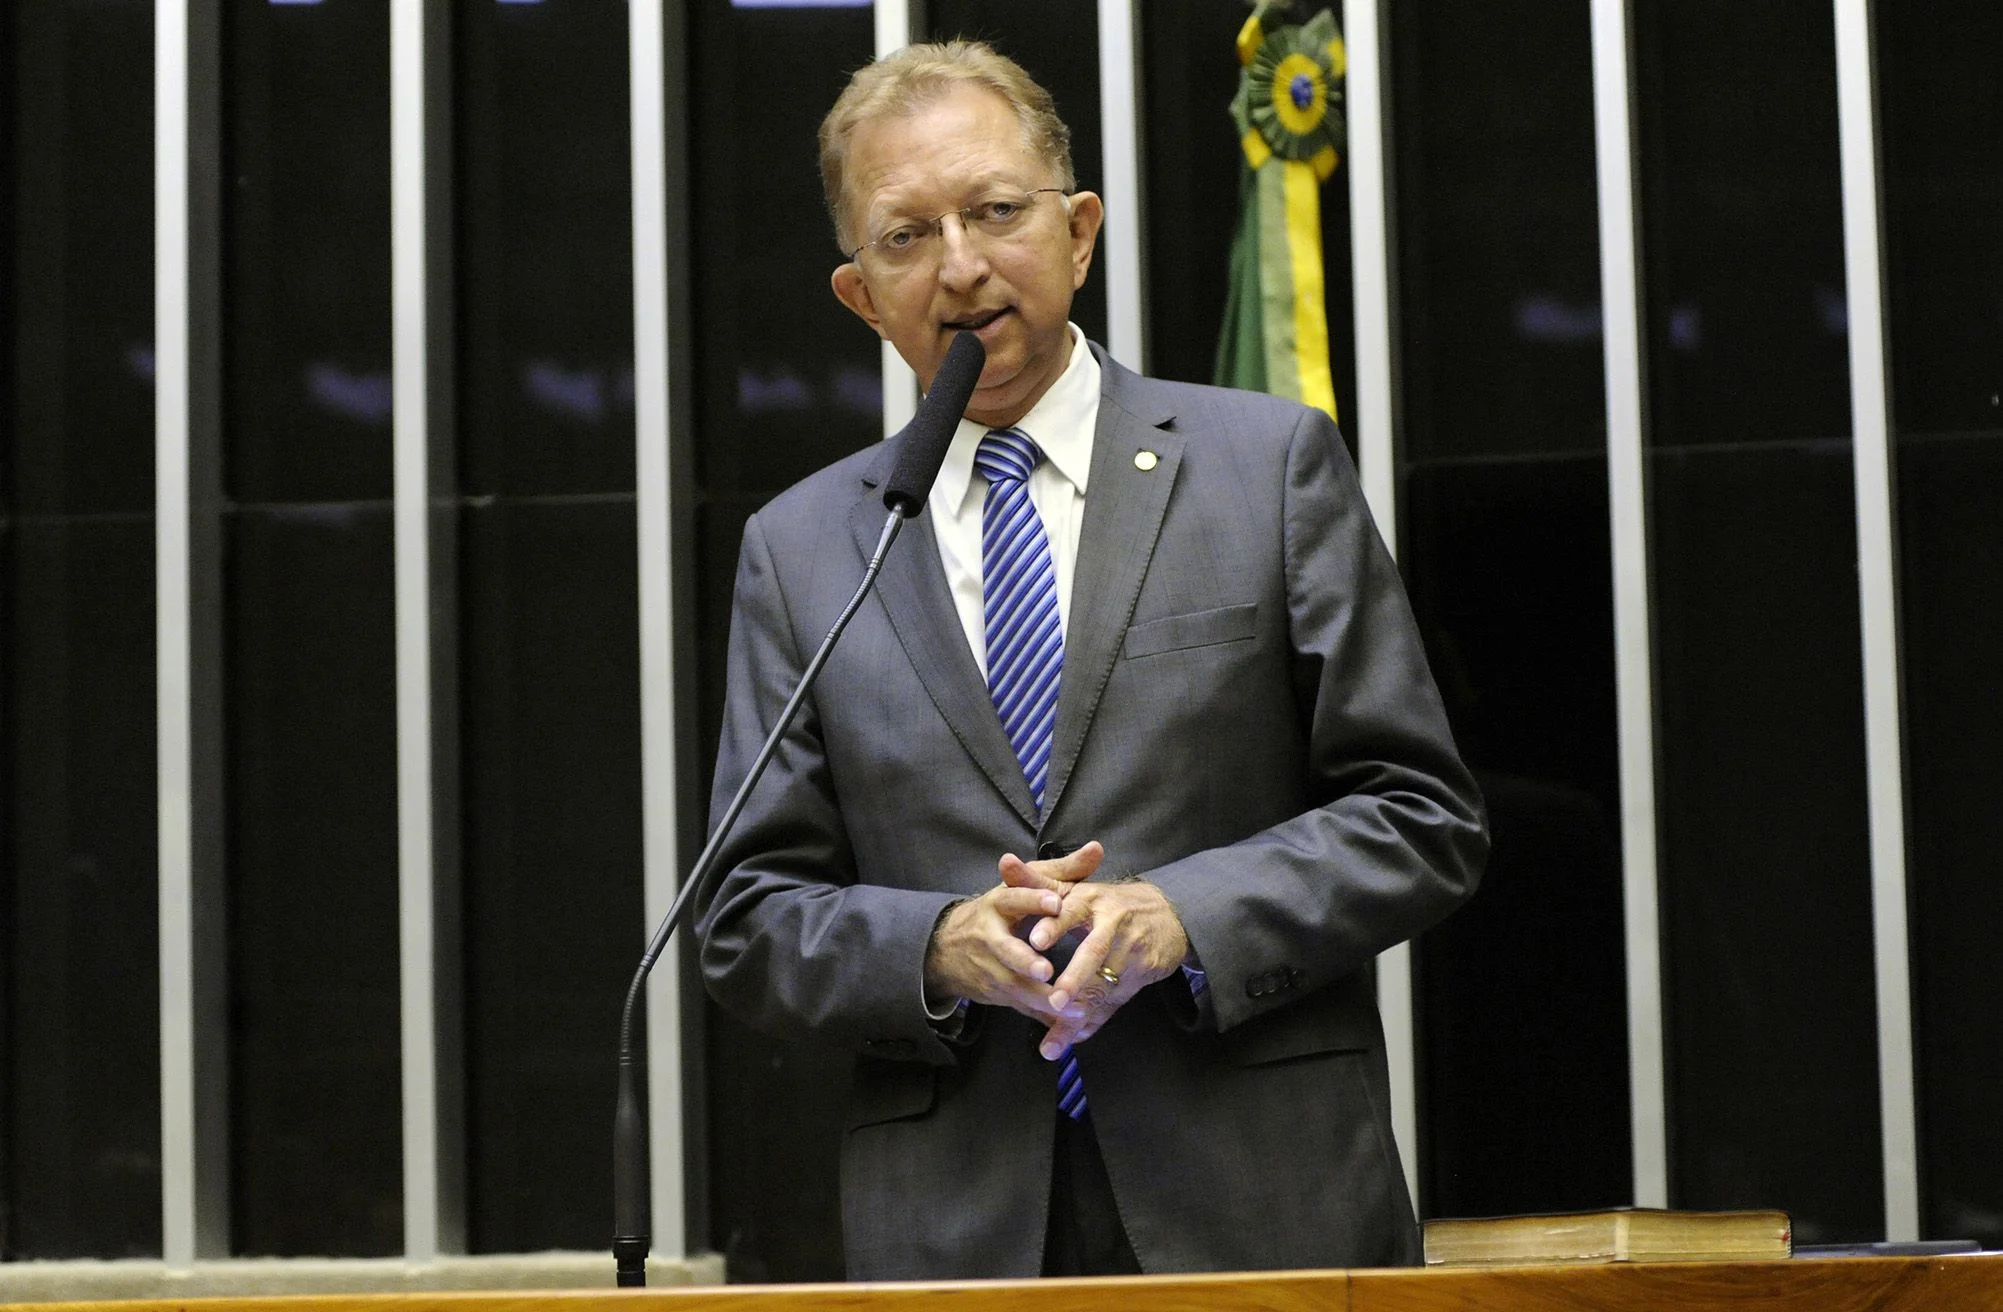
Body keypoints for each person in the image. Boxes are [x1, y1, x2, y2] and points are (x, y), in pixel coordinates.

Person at [696, 40, 1486, 1280]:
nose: (960, 266)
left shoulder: (1264, 468)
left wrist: (1187, 913)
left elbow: (1420, 815)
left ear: (1078, 231)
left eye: (997, 212)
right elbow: (747, 917)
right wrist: (935, 942)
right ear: (858, 294)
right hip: (955, 1231)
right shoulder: (803, 548)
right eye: (906, 238)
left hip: (1259, 1199)